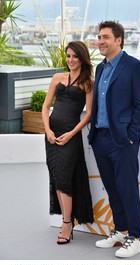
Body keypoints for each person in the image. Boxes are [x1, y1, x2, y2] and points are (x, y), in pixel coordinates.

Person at [88, 20, 140, 258]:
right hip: (101, 138)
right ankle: (121, 230)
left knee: (127, 188)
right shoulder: (100, 67)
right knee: (113, 189)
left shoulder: (134, 66)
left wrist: (132, 136)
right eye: (99, 37)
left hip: (122, 141)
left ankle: (136, 237)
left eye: (105, 37)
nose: (100, 41)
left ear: (118, 40)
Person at [42, 41, 94, 245]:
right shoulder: (57, 78)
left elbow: (89, 114)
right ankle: (66, 219)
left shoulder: (88, 82)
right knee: (56, 177)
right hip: (51, 136)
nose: (70, 60)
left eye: (75, 56)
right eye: (68, 56)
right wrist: (47, 130)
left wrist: (71, 133)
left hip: (69, 136)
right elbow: (46, 107)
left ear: (82, 58)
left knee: (64, 179)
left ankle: (66, 223)